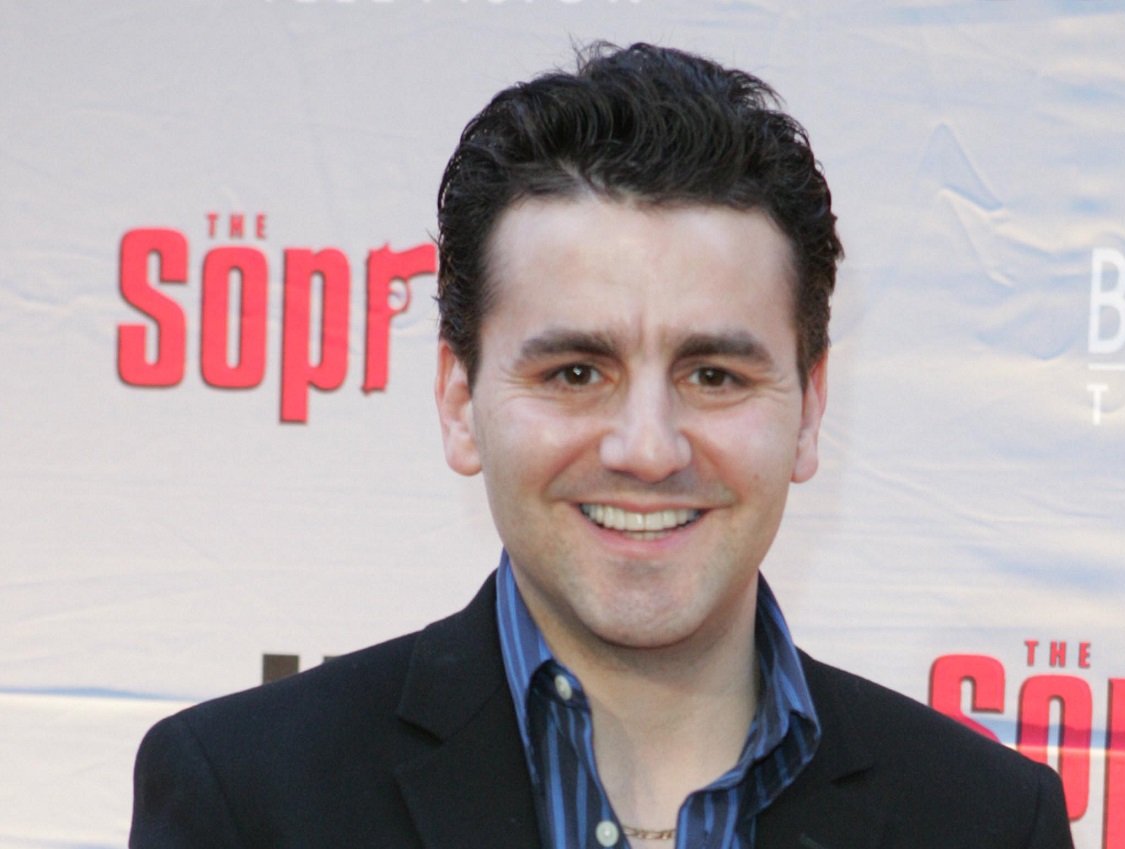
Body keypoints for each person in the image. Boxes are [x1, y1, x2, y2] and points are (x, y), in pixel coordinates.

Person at [130, 42, 1073, 849]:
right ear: (458, 399)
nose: (647, 449)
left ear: (811, 408)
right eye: (577, 372)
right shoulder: (248, 796)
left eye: (714, 375)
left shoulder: (987, 820)